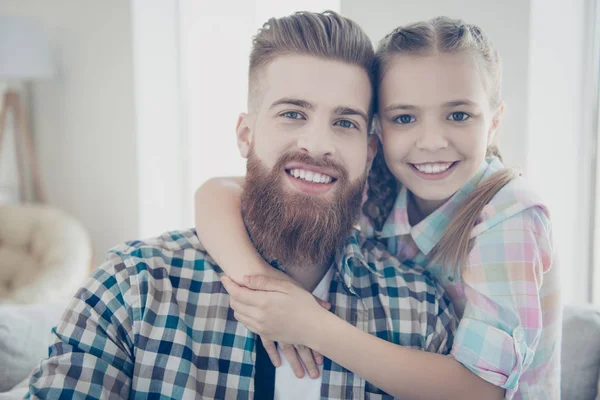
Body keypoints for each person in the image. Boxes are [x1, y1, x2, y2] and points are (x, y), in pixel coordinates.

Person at [26, 11, 455, 399]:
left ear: (370, 151)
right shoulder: (134, 289)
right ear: (245, 135)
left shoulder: (418, 310)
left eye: (344, 123)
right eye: (292, 114)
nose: (318, 144)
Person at [195, 16, 561, 399]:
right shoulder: (384, 178)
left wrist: (310, 324)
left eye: (458, 115)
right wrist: (263, 285)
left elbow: (481, 391)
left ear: (495, 122)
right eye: (404, 117)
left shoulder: (509, 216)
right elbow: (216, 192)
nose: (432, 141)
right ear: (378, 132)